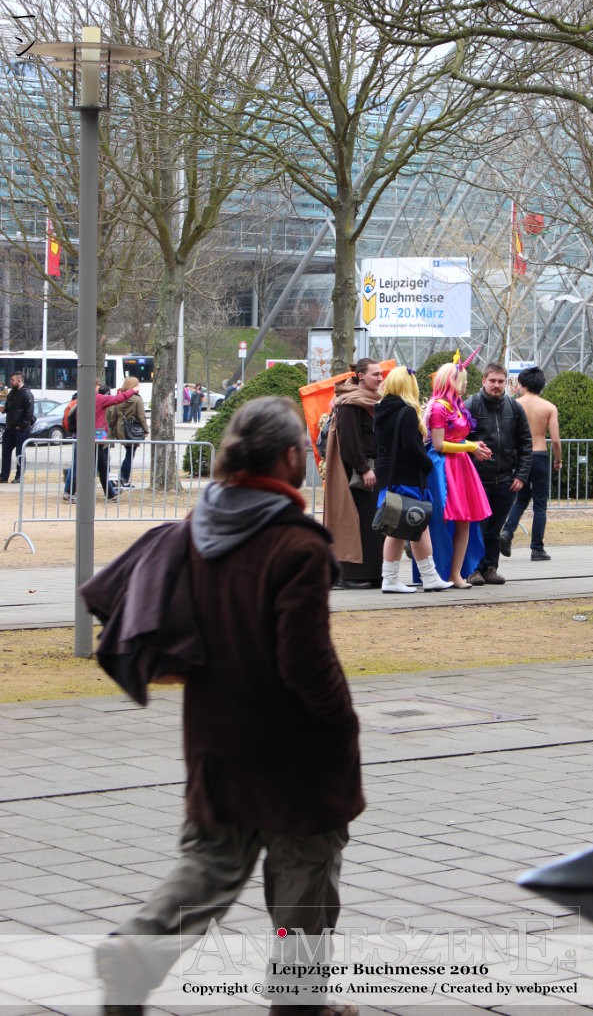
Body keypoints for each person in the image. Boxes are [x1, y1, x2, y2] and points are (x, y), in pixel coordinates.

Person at [93, 396, 363, 1016]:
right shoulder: (297, 546)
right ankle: (299, 1004)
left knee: (211, 863)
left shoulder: (194, 529)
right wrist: (341, 720)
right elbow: (305, 661)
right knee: (304, 876)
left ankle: (135, 953)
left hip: (216, 734)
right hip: (295, 748)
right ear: (293, 458)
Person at [373, 366, 452, 593]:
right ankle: (416, 578)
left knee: (404, 527)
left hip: (389, 475)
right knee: (411, 526)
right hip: (407, 476)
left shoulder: (381, 410)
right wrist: (427, 464)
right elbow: (411, 447)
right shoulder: (407, 411)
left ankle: (415, 577)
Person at [424, 359, 492, 589]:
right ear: (451, 381)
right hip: (442, 468)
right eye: (461, 380)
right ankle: (435, 573)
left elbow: (458, 441)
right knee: (439, 522)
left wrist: (475, 448)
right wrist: (471, 447)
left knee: (465, 521)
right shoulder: (438, 407)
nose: (465, 385)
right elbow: (439, 445)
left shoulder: (456, 406)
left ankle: (456, 574)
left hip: (461, 467)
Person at [463, 363, 533, 585]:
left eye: (500, 381)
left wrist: (521, 475)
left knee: (495, 528)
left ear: (507, 382)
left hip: (505, 479)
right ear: (483, 380)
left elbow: (525, 443)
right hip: (476, 479)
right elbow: (458, 439)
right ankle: (471, 569)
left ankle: (490, 568)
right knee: (475, 527)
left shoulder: (515, 408)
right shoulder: (471, 405)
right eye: (492, 380)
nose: (496, 385)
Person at [323, 358, 384, 588]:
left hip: (369, 469)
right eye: (375, 374)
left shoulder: (369, 400)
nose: (380, 378)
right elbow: (349, 440)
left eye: (380, 374)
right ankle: (353, 575)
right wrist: (364, 468)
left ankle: (371, 573)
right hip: (356, 474)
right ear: (361, 376)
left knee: (372, 523)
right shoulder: (349, 403)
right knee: (359, 523)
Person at [500, 366, 562, 560]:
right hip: (540, 455)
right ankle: (537, 548)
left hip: (520, 457)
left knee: (520, 499)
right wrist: (558, 460)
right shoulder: (549, 407)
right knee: (540, 505)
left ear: (522, 384)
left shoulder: (512, 404)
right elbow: (556, 440)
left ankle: (507, 533)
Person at [68, 383, 138, 501]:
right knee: (90, 468)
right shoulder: (98, 399)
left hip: (87, 437)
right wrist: (133, 390)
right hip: (96, 439)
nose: (98, 387)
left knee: (100, 467)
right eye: (96, 385)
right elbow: (118, 399)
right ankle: (75, 492)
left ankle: (109, 494)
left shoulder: (82, 399)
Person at [107, 376, 149, 489]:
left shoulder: (119, 398)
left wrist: (112, 429)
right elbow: (141, 416)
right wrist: (146, 430)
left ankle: (121, 479)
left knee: (128, 454)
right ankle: (124, 479)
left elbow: (113, 416)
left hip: (121, 428)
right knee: (130, 455)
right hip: (132, 429)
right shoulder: (137, 399)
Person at [0, 372, 35, 483]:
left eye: (12, 380)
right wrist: (4, 409)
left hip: (21, 429)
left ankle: (19, 477)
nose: (10, 382)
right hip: (10, 428)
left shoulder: (26, 394)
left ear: (19, 381)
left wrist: (22, 425)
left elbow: (29, 413)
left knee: (20, 453)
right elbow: (9, 406)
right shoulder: (12, 393)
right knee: (5, 453)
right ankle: (4, 476)